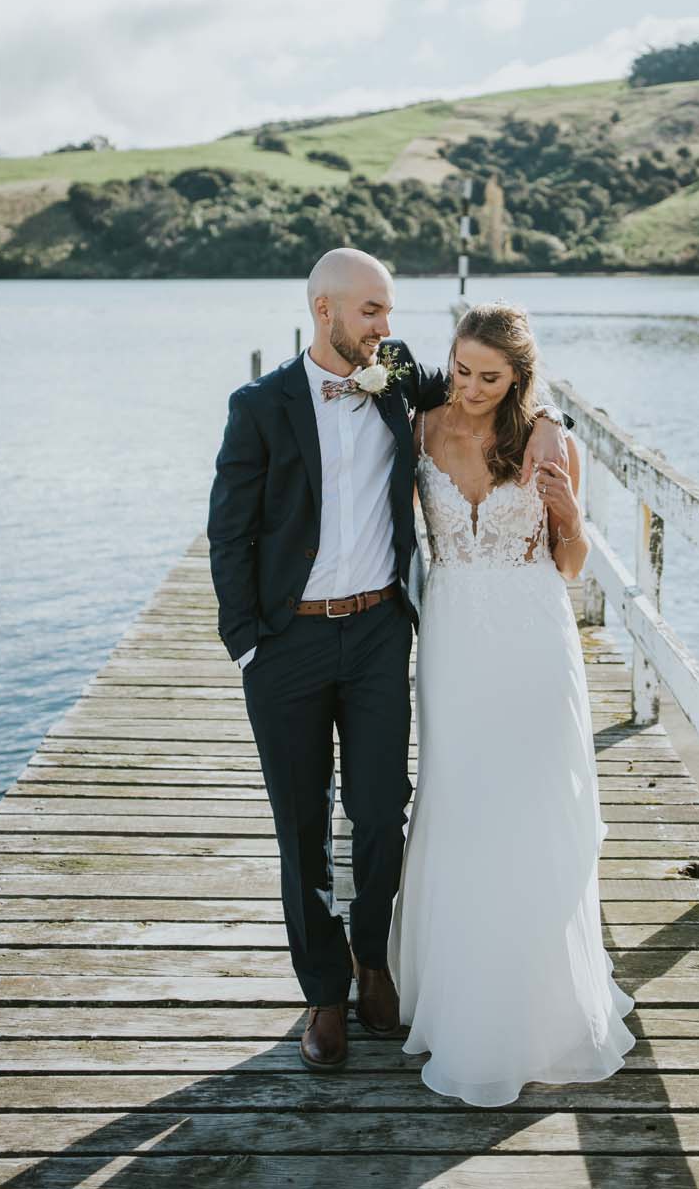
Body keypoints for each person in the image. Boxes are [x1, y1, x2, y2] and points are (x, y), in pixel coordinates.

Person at [206, 250, 569, 1072]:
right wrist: (248, 643)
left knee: (380, 811)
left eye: (390, 309)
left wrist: (554, 425)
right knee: (301, 825)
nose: (387, 325)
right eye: (371, 310)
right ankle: (323, 995)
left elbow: (495, 380)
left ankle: (375, 961)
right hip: (286, 643)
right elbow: (228, 530)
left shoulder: (400, 377)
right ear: (324, 311)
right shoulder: (258, 406)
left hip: (377, 633)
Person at [388, 300, 637, 1106]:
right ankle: (453, 995)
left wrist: (569, 517)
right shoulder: (420, 426)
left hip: (533, 636)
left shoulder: (548, 441)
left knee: (533, 807)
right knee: (460, 801)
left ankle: (539, 1010)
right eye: (460, 369)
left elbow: (570, 563)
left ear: (519, 378)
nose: (469, 387)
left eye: (489, 378)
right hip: (455, 640)